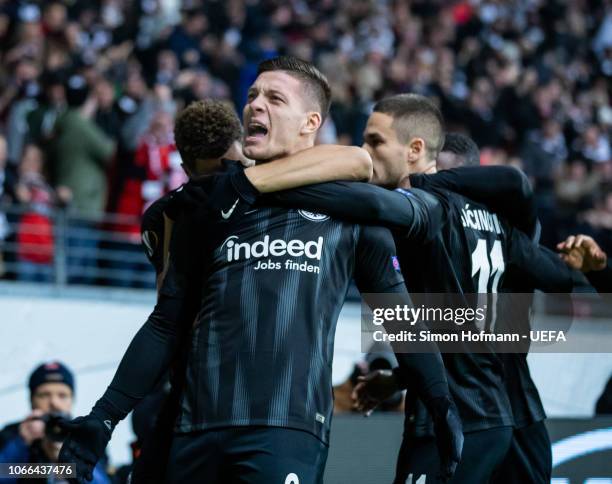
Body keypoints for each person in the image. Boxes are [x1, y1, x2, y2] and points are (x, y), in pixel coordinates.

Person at [59, 59, 460, 484]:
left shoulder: (353, 212)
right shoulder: (212, 206)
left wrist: (440, 402)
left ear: (310, 123)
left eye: (274, 98)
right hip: (194, 431)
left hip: (286, 430)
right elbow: (164, 325)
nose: (255, 105)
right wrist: (103, 417)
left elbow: (400, 318)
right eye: (252, 95)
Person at [0, 362, 109, 484]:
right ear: (31, 400)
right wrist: (21, 444)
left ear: (72, 400)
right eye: (44, 395)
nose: (54, 402)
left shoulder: (86, 435)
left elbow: (102, 481)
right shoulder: (12, 434)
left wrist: (66, 460)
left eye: (62, 395)